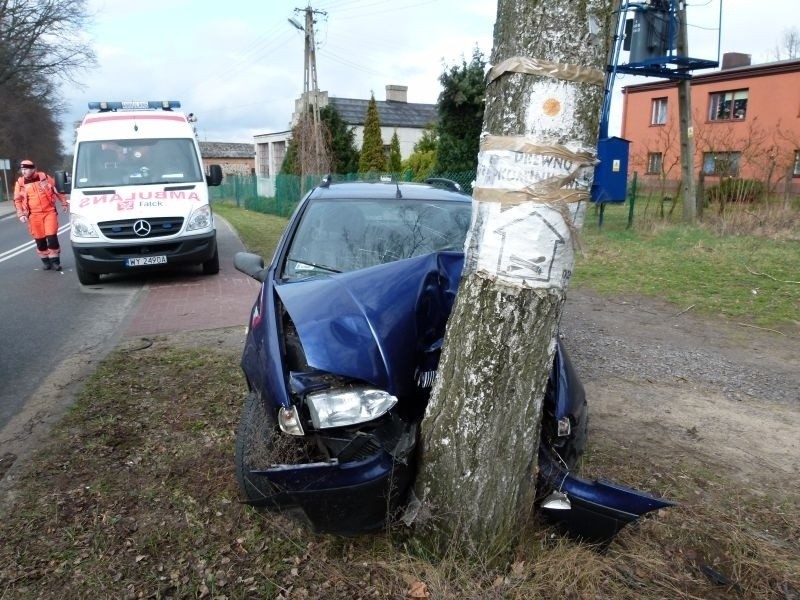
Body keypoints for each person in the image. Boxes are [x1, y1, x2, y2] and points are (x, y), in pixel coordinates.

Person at [13, 159, 69, 271]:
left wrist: (64, 202)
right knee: (40, 239)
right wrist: (21, 214)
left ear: (33, 169)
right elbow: (17, 200)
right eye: (22, 169)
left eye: (26, 169)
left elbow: (57, 190)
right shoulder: (20, 183)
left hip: (49, 212)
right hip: (33, 215)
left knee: (52, 236)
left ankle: (55, 262)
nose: (24, 171)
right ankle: (46, 261)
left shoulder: (44, 178)